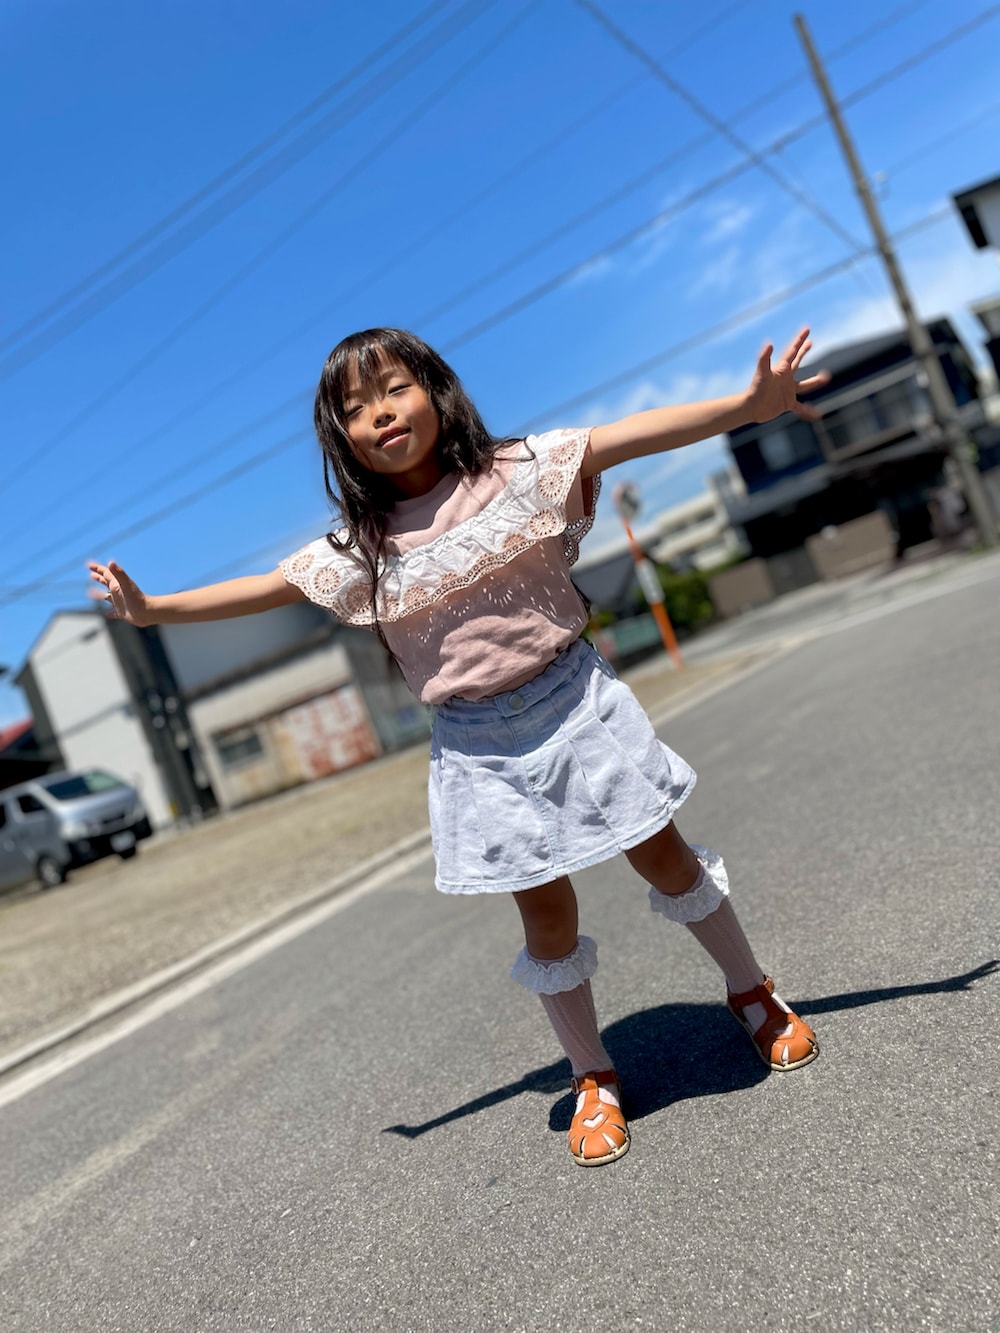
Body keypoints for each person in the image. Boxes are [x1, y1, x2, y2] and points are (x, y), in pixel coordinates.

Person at [89, 325, 828, 1168]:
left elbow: (630, 435)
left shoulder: (518, 472)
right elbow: (263, 588)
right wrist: (153, 612)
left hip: (575, 699)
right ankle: (593, 1072)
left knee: (662, 857)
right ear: (341, 438)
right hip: (480, 743)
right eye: (354, 408)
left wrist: (746, 407)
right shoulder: (360, 552)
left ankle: (751, 991)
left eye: (394, 389)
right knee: (546, 914)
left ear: (434, 390)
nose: (380, 414)